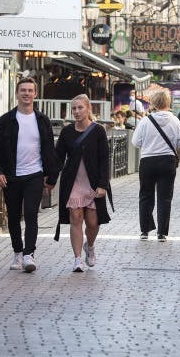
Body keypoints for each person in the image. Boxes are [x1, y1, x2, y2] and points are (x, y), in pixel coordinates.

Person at [0, 77, 60, 273]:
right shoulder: (6, 120)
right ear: (17, 94)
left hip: (34, 174)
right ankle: (17, 252)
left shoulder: (42, 120)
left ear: (35, 94)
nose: (27, 94)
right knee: (13, 216)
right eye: (23, 90)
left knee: (30, 213)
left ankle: (29, 254)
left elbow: (49, 149)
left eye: (30, 90)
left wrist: (51, 176)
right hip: (11, 176)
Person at [51, 95, 113, 271]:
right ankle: (77, 259)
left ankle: (90, 246)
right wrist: (50, 179)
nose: (77, 112)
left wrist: (102, 184)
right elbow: (58, 158)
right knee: (76, 217)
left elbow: (104, 159)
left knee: (93, 222)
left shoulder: (98, 131)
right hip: (73, 182)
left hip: (93, 182)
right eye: (74, 109)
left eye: (80, 108)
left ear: (88, 109)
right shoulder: (67, 132)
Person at [131, 89, 180, 242]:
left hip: (148, 161)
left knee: (145, 196)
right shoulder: (175, 120)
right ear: (168, 103)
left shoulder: (145, 121)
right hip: (167, 161)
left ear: (153, 103)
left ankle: (145, 231)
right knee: (165, 198)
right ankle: (162, 233)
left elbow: (135, 142)